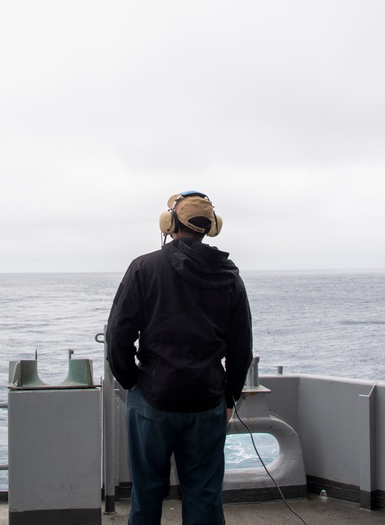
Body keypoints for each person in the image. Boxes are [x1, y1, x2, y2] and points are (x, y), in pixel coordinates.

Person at [106, 191, 253, 525]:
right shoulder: (230, 277)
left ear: (170, 224)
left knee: (146, 493)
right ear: (211, 228)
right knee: (203, 493)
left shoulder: (143, 268)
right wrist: (229, 394)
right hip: (207, 401)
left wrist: (131, 381)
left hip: (153, 401)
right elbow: (241, 345)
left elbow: (119, 334)